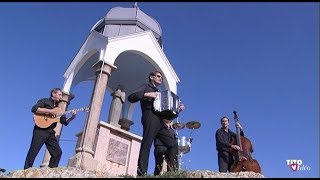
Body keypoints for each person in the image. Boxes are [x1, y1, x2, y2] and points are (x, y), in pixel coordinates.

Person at [127, 71, 184, 176]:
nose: (160, 78)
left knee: (172, 143)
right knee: (147, 144)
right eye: (158, 76)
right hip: (150, 117)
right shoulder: (145, 86)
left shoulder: (161, 93)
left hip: (160, 121)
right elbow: (131, 97)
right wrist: (147, 94)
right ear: (151, 77)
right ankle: (141, 173)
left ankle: (173, 173)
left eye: (161, 77)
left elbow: (166, 113)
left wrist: (178, 110)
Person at [24, 88, 77, 169]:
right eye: (59, 95)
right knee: (34, 151)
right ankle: (26, 170)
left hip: (50, 132)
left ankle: (51, 172)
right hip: (40, 130)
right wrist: (49, 111)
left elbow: (65, 122)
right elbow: (34, 109)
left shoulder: (59, 109)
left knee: (57, 153)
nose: (61, 97)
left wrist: (72, 117)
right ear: (53, 94)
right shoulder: (45, 101)